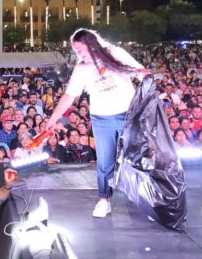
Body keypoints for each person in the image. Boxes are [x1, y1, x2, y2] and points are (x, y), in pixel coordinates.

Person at [46, 28, 146, 218]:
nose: (79, 55)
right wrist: (53, 119)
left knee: (133, 156)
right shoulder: (81, 68)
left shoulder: (114, 53)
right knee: (105, 160)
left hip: (127, 114)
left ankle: (141, 195)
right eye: (76, 52)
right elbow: (69, 95)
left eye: (81, 50)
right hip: (101, 118)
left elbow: (138, 71)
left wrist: (147, 80)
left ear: (91, 44)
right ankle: (104, 199)